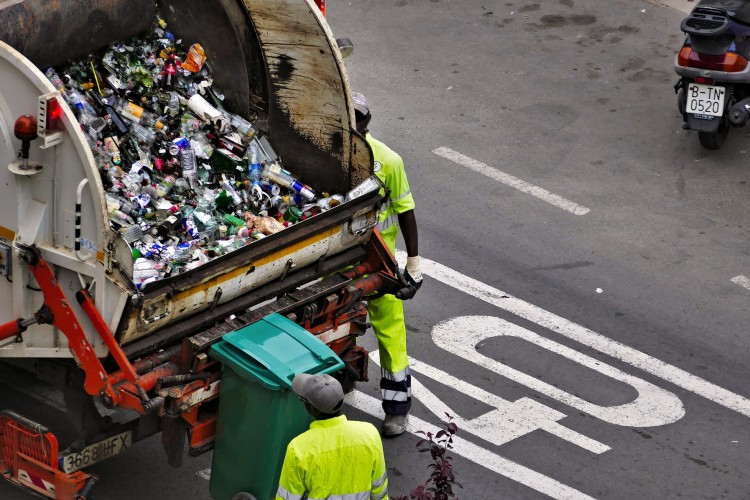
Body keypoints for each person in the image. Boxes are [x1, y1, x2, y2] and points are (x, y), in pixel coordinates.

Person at [352, 92, 423, 437]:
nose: (353, 122)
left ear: (368, 120)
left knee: (390, 334)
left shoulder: (388, 160)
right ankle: (339, 378)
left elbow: (405, 209)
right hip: (338, 259)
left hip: (378, 262)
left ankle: (397, 409)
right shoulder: (326, 152)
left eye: (358, 116)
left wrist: (414, 262)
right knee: (337, 322)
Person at [276, 373, 389, 500]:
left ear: (311, 408)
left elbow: (287, 497)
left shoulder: (298, 448)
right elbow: (379, 487)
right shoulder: (369, 434)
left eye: (303, 400)